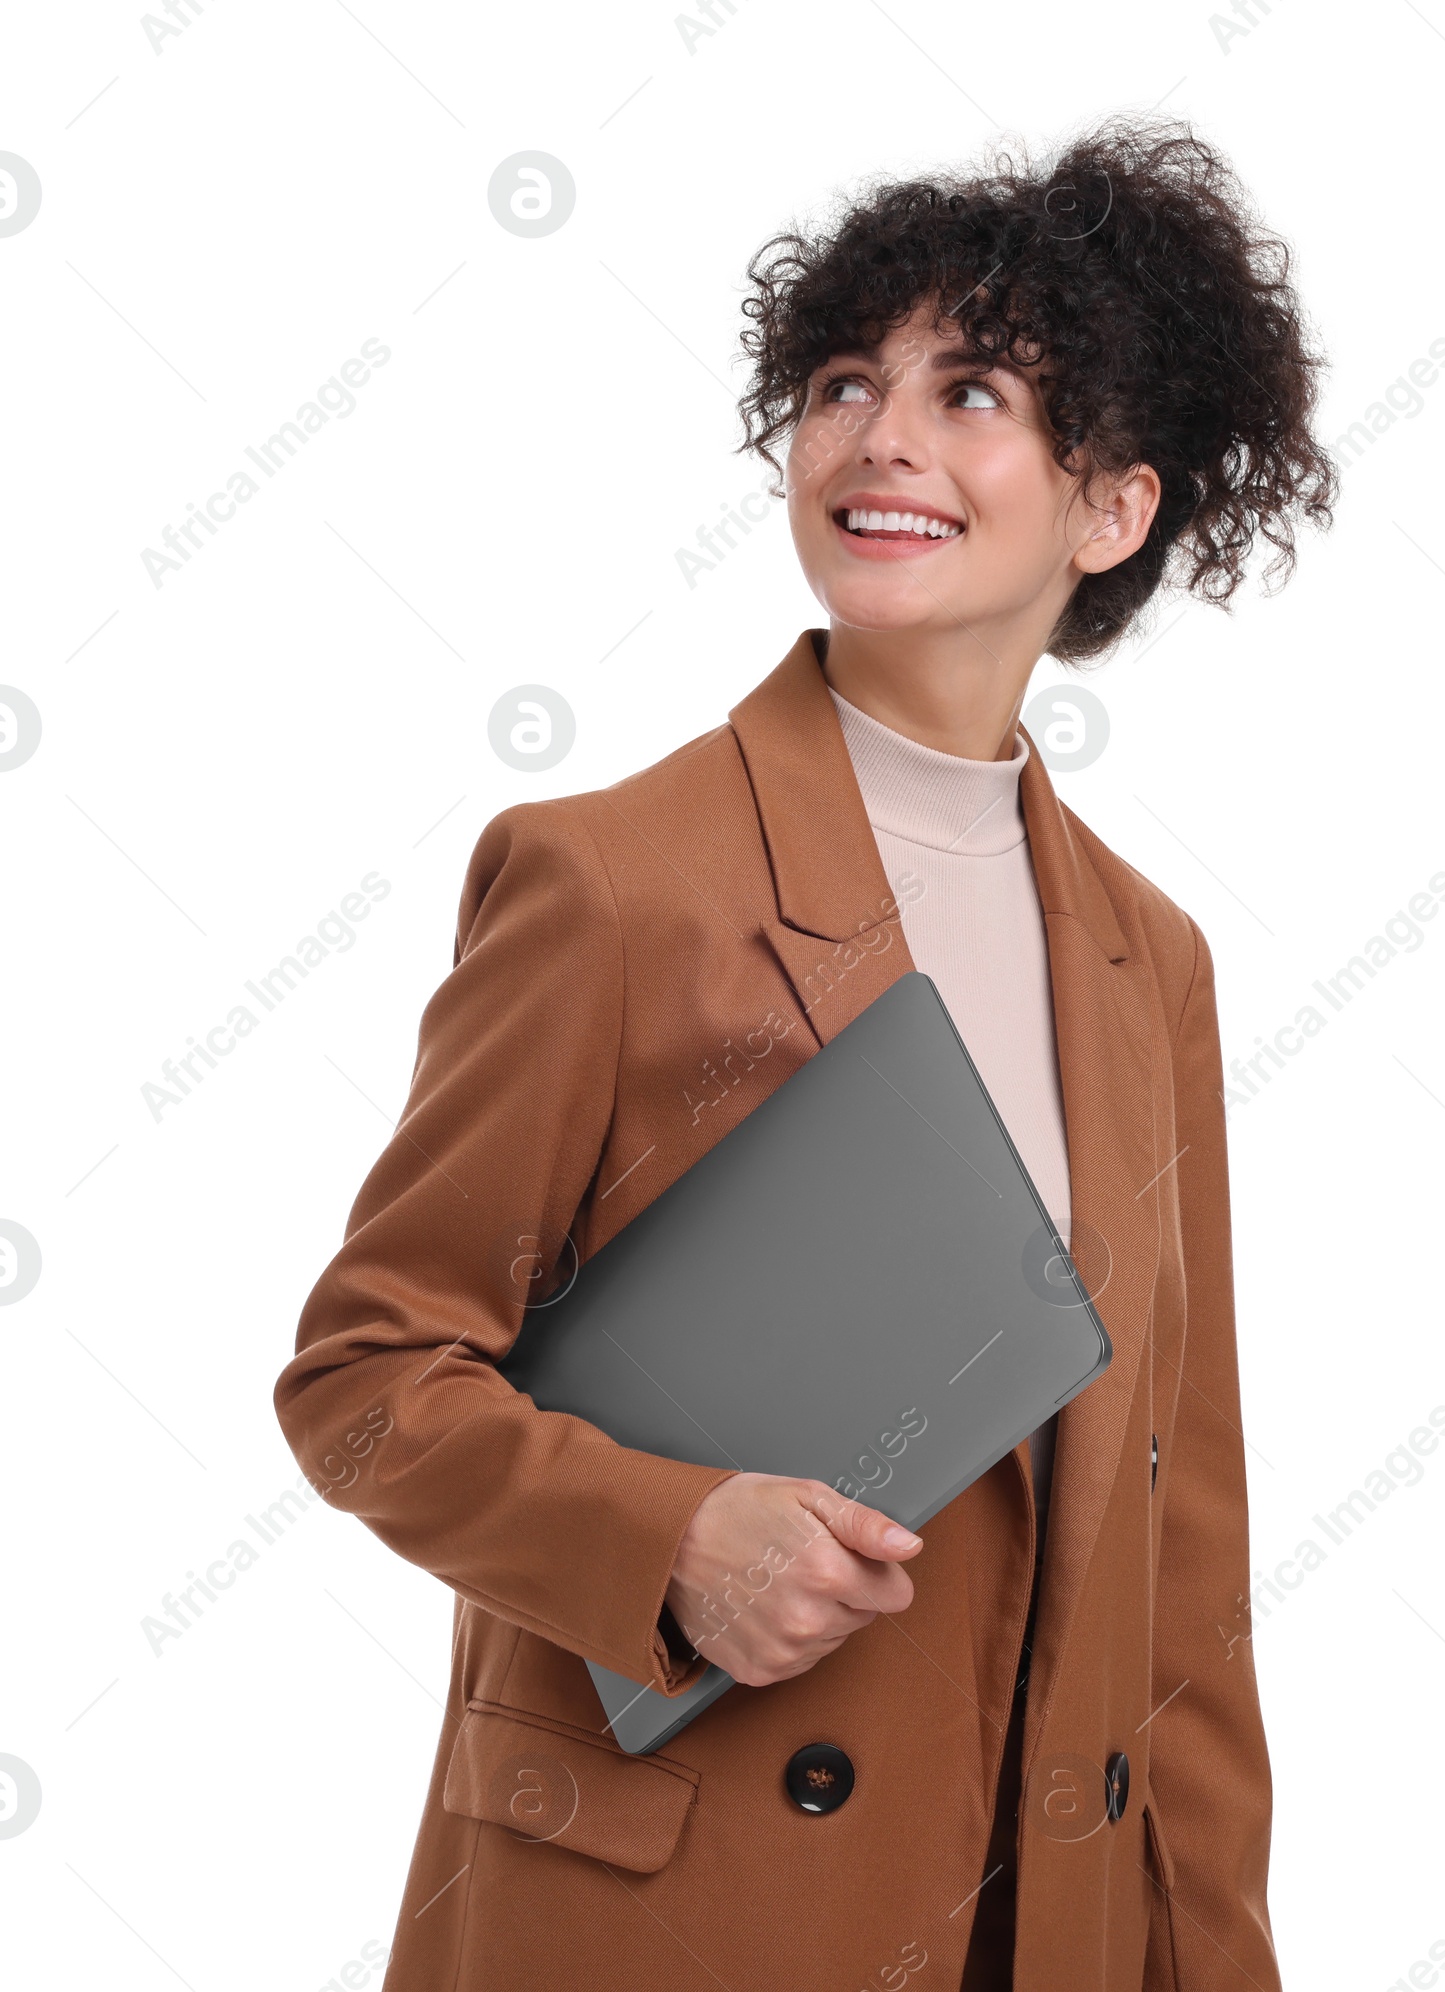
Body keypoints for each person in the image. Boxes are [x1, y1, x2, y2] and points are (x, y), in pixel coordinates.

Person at [276, 114, 1336, 1991]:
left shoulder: (1147, 959)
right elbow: (365, 1382)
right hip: (682, 1915)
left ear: (1114, 510)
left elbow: (1184, 1557)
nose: (884, 439)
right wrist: (667, 1539)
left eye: (977, 389)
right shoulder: (611, 881)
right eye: (846, 380)